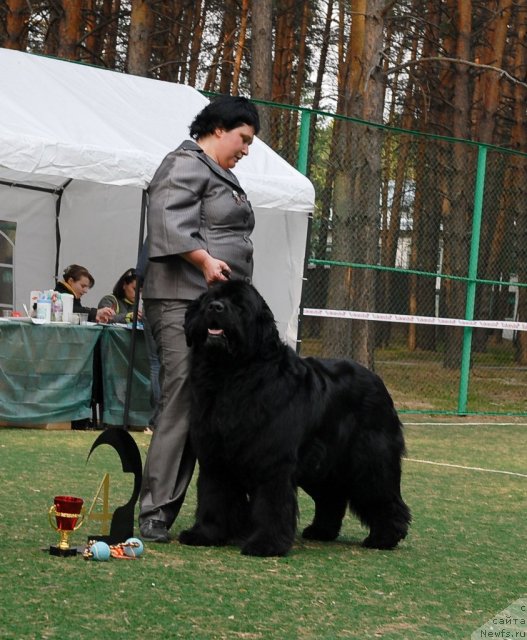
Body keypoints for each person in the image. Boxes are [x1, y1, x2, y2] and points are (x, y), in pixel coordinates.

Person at [138, 95, 260, 543]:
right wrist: (205, 260)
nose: (246, 150)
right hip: (181, 303)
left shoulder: (220, 174)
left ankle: (222, 514)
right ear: (218, 128)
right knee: (185, 397)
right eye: (243, 139)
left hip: (218, 309)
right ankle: (155, 510)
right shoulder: (184, 164)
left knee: (215, 406)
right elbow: (167, 222)